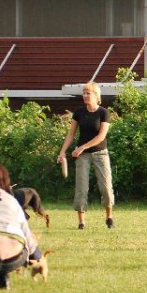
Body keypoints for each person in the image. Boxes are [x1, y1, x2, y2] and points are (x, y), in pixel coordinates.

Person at [57, 81, 115, 230]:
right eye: (84, 93)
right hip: (83, 156)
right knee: (82, 188)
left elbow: (101, 137)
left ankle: (109, 217)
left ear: (96, 95)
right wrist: (62, 152)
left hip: (100, 153)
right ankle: (82, 222)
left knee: (106, 188)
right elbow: (71, 134)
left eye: (88, 93)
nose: (85, 96)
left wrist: (81, 147)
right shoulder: (79, 113)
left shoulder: (104, 113)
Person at [0, 164, 39, 290]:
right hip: (13, 258)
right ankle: (3, 275)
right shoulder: (11, 200)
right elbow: (26, 233)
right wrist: (38, 257)